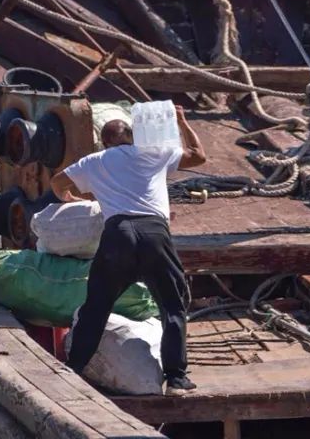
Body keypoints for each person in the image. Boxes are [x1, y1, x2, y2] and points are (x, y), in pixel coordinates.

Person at [52, 105, 206, 393]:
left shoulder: (94, 160)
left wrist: (70, 199)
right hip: (154, 234)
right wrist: (182, 122)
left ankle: (73, 369)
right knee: (172, 305)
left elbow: (57, 182)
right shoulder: (153, 152)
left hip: (117, 235)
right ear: (133, 137)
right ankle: (176, 378)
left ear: (104, 141)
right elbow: (199, 155)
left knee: (96, 307)